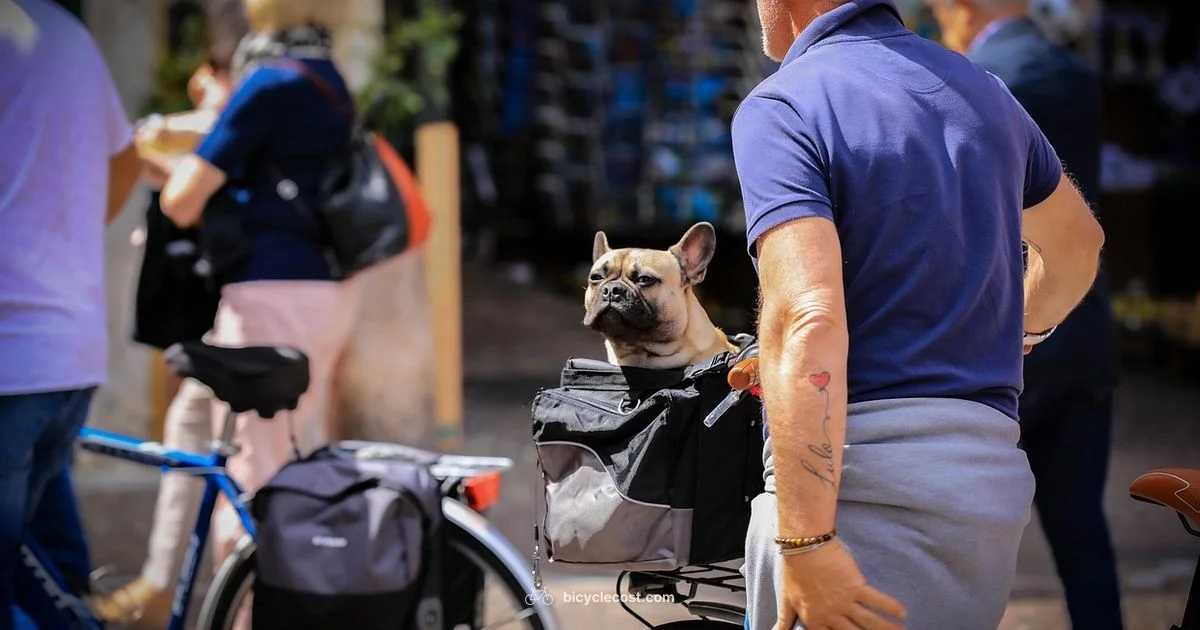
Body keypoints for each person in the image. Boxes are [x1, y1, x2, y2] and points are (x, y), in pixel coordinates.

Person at [730, 0, 1105, 628]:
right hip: (985, 495)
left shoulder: (784, 105)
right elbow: (1079, 245)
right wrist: (1020, 329)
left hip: (863, 501)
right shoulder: (984, 92)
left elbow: (807, 320)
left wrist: (806, 540)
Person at [927, 1, 1123, 627]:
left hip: (1005, 337)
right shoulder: (1074, 72)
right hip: (1084, 326)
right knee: (1082, 534)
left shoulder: (978, 83)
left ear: (961, 9)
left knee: (957, 538)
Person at [148, 0, 357, 582]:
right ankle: (162, 584)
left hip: (270, 295)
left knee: (255, 473)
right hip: (322, 291)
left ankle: (252, 609)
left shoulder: (268, 84)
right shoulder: (329, 79)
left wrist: (157, 157)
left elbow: (181, 201)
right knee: (198, 423)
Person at [0, 0, 139, 628]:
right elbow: (126, 163)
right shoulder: (66, 32)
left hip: (13, 358)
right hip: (67, 354)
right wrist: (57, 241)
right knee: (40, 573)